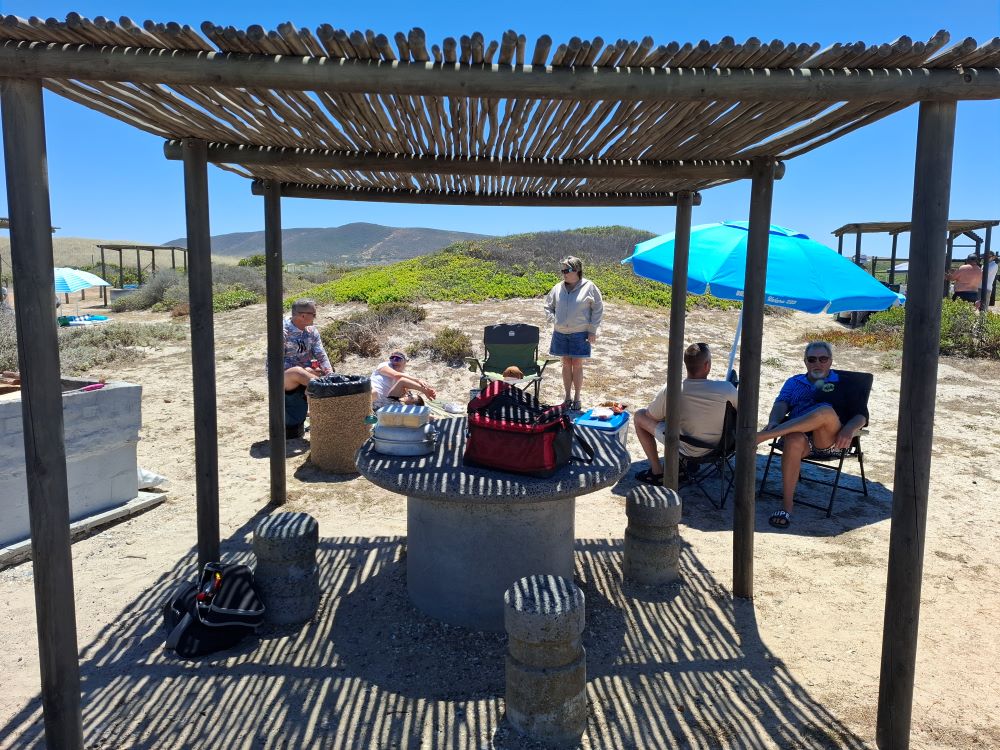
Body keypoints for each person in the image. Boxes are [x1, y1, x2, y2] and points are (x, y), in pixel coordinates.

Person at [756, 341, 869, 529]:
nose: (818, 363)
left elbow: (861, 415)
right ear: (805, 362)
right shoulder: (794, 382)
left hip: (829, 439)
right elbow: (781, 404)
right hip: (802, 440)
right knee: (792, 439)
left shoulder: (845, 383)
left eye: (823, 359)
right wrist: (774, 420)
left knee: (824, 410)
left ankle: (763, 436)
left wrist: (849, 429)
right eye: (812, 359)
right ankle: (787, 506)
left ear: (830, 361)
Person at [632, 342, 738, 486]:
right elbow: (742, 414)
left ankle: (657, 472)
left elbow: (650, 417)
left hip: (684, 446)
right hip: (719, 448)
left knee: (639, 416)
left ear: (686, 365)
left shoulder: (673, 388)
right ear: (707, 366)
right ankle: (681, 466)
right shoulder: (726, 389)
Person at [544, 255, 603, 411]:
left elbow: (598, 308)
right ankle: (567, 396)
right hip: (560, 333)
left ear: (577, 270)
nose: (564, 273)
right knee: (565, 364)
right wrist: (553, 319)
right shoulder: (557, 287)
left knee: (577, 364)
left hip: (580, 333)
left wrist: (592, 330)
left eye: (567, 269)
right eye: (562, 270)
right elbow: (548, 306)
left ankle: (577, 397)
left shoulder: (589, 286)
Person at [283, 298, 333, 392]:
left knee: (313, 371)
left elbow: (321, 356)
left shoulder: (312, 331)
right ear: (303, 316)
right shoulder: (283, 330)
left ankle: (329, 387)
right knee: (297, 372)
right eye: (314, 315)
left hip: (305, 372)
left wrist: (330, 375)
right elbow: (275, 361)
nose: (315, 317)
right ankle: (329, 390)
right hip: (284, 377)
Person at [370, 350, 438, 411]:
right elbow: (395, 375)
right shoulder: (385, 365)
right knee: (374, 393)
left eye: (398, 358)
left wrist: (426, 390)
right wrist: (417, 380)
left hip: (383, 402)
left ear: (405, 361)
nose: (394, 361)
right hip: (369, 392)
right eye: (392, 358)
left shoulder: (406, 375)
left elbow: (405, 394)